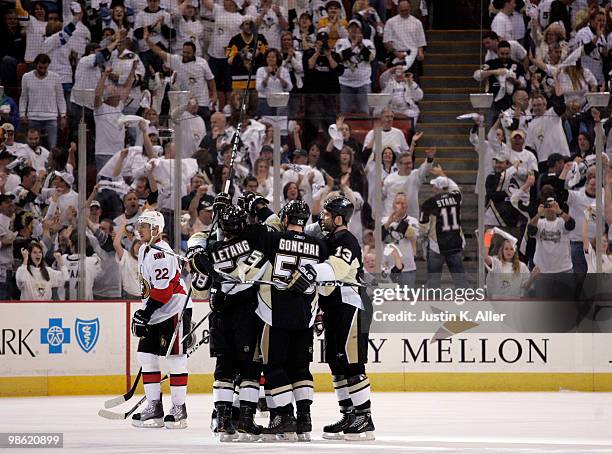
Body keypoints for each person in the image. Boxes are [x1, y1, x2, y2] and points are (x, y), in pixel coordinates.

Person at [287, 195, 374, 441]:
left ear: (338, 218)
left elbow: (336, 268)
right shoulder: (330, 238)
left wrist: (307, 272)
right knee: (337, 363)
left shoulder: (346, 239)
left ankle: (364, 418)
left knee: (352, 363)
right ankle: (349, 414)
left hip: (351, 304)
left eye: (326, 215)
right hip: (335, 306)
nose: (322, 219)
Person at [187, 205, 266, 442]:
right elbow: (256, 274)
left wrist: (198, 252)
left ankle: (222, 419)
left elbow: (199, 287)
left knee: (224, 367)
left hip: (220, 314)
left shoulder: (209, 252)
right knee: (249, 370)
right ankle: (245, 420)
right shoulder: (253, 246)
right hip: (247, 315)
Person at [131, 210, 193, 429]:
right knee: (146, 356)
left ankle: (179, 409)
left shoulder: (161, 253)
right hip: (157, 311)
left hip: (174, 309)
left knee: (176, 360)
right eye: (140, 226)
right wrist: (145, 312)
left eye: (144, 227)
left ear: (156, 229)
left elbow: (164, 292)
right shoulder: (144, 250)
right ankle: (154, 407)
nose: (140, 230)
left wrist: (145, 314)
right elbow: (149, 290)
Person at [419, 176, 466, 288]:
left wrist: (423, 240)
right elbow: (455, 187)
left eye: (434, 187)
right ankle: (466, 304)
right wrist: (444, 176)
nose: (432, 189)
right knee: (461, 282)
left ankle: (432, 303)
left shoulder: (429, 203)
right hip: (455, 244)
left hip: (437, 247)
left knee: (433, 284)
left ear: (439, 188)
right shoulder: (456, 197)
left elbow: (423, 228)